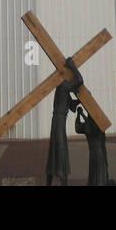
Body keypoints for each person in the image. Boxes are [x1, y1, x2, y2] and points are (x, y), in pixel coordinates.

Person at [45, 59, 83, 187]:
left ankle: (50, 181)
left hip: (58, 120)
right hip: (59, 121)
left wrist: (79, 101)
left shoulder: (63, 88)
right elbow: (79, 81)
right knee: (61, 149)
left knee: (56, 149)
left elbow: (71, 106)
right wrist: (73, 66)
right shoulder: (63, 86)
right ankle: (62, 180)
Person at [74, 105, 116, 185]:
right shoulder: (95, 126)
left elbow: (86, 127)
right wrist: (79, 114)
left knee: (97, 176)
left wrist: (81, 114)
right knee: (97, 176)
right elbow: (78, 127)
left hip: (96, 154)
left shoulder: (97, 127)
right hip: (97, 154)